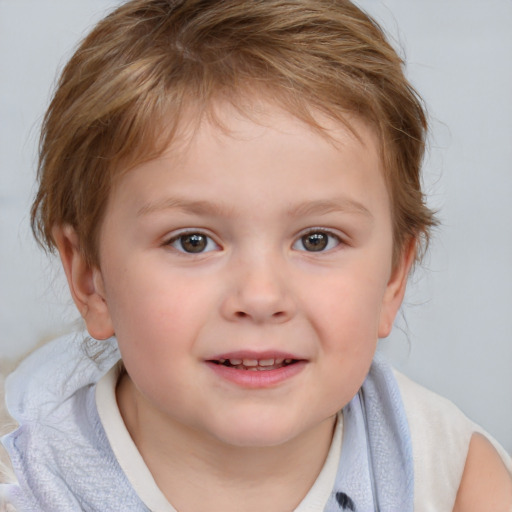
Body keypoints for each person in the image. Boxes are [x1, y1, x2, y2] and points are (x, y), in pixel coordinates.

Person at [1, 0, 511, 510]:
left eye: (317, 240)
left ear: (393, 278)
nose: (261, 297)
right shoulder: (28, 486)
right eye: (192, 241)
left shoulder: (447, 475)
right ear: (91, 277)